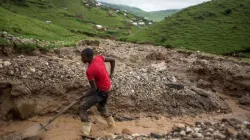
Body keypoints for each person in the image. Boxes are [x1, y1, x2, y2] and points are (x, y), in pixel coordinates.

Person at [80, 48, 116, 136]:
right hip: (108, 87)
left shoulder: (89, 71)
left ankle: (86, 132)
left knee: (82, 107)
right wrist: (111, 73)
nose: (82, 59)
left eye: (83, 57)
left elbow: (93, 89)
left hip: (102, 91)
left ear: (89, 57)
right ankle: (112, 125)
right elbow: (113, 60)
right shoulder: (98, 58)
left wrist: (82, 97)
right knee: (101, 108)